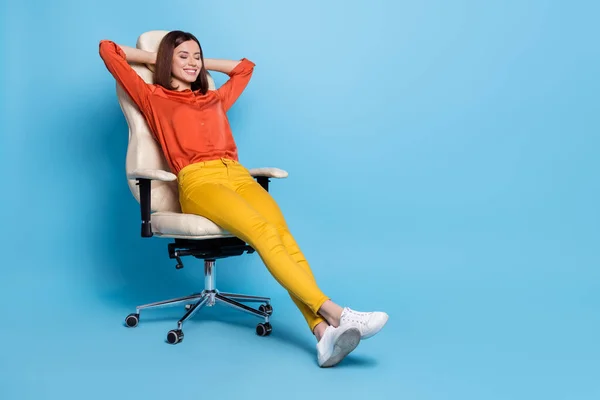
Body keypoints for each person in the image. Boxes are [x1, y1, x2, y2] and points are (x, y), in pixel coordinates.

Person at [99, 30, 388, 367]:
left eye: (197, 56)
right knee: (263, 233)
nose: (193, 63)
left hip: (237, 174)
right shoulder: (153, 97)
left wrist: (198, 65)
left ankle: (324, 336)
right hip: (198, 181)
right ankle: (338, 314)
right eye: (183, 57)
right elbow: (108, 51)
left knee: (283, 236)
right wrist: (159, 58)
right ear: (167, 61)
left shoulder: (213, 98)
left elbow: (244, 68)